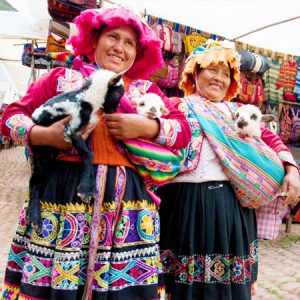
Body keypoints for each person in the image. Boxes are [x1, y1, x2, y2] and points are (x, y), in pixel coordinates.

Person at [0, 6, 191, 300]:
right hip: (63, 198)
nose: (120, 48)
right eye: (113, 37)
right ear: (94, 41)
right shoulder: (60, 79)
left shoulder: (144, 90)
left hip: (126, 207)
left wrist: (145, 126)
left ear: (138, 53)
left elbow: (183, 132)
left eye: (129, 43)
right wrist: (45, 135)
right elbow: (11, 116)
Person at [156, 41, 300, 300]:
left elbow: (270, 138)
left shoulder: (238, 113)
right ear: (195, 73)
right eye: (212, 69)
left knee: (228, 289)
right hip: (185, 206)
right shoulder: (176, 107)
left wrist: (291, 169)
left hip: (230, 208)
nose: (219, 78)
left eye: (226, 74)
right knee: (185, 287)